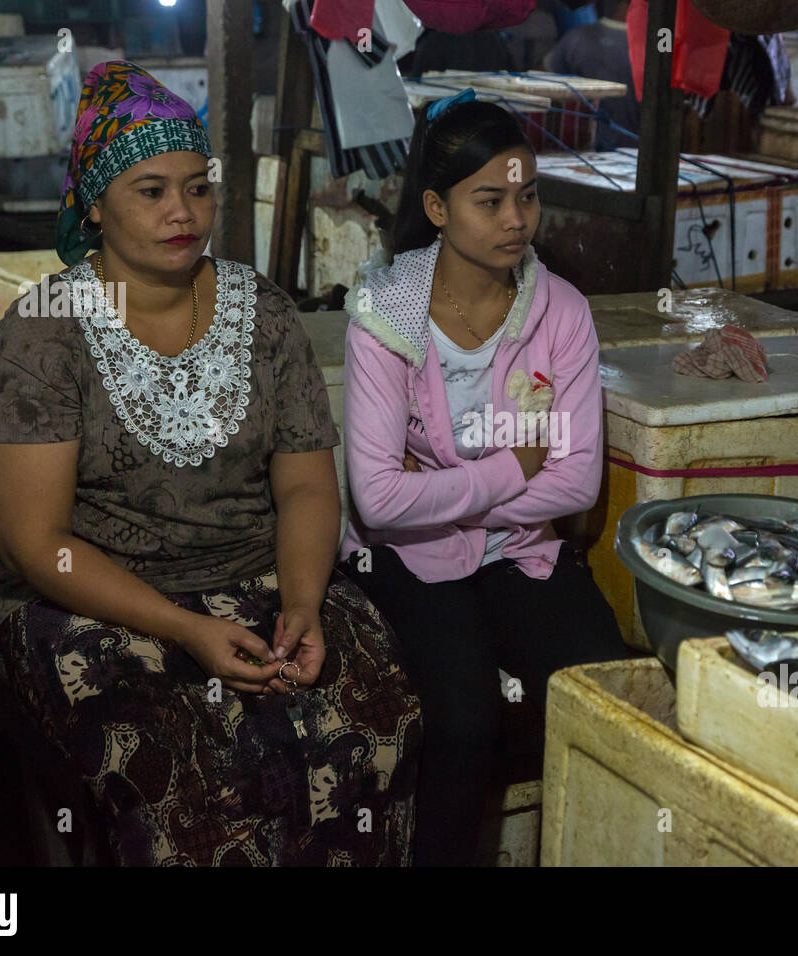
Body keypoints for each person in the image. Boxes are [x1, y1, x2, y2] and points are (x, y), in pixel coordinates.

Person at [0, 60, 420, 866]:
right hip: (92, 600)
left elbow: (309, 483)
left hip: (257, 576)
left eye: (198, 186)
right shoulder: (44, 334)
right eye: (151, 191)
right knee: (186, 763)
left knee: (369, 719)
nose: (184, 212)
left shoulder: (267, 314)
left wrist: (306, 605)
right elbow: (38, 544)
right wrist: (184, 628)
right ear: (95, 204)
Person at [337, 91, 626, 867]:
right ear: (436, 206)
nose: (515, 220)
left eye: (527, 196)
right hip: (410, 561)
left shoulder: (560, 311)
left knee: (606, 688)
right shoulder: (385, 313)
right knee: (464, 723)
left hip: (520, 549)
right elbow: (375, 502)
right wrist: (506, 468)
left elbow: (576, 484)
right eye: (490, 200)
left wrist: (438, 489)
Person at [542, 0, 638, 150]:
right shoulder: (657, 48)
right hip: (633, 155)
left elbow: (543, 82)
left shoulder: (575, 39)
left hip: (583, 152)